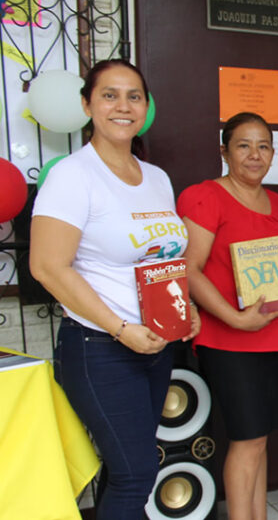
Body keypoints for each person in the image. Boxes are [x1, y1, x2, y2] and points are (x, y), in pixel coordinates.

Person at [29, 59, 200, 519]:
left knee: (127, 468)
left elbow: (161, 258)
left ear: (146, 107)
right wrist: (121, 327)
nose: (123, 106)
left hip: (155, 345)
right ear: (87, 104)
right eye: (109, 95)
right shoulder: (72, 175)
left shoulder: (156, 178)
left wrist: (184, 308)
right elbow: (47, 266)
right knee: (136, 473)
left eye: (134, 96)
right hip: (99, 346)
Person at [177, 112, 278, 520]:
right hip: (229, 339)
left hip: (276, 337)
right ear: (224, 151)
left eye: (264, 146)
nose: (255, 155)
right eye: (243, 145)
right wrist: (235, 319)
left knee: (260, 439)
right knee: (246, 440)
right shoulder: (204, 196)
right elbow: (188, 269)